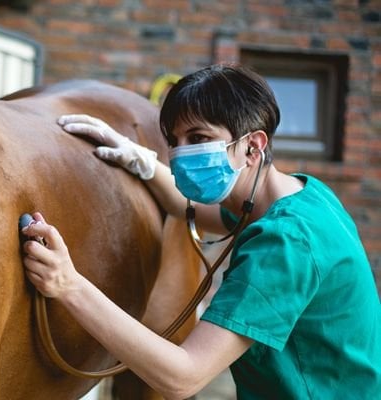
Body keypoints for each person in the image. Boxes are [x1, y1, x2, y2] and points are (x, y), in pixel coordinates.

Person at [20, 64, 381, 399]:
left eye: (198, 137)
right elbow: (194, 210)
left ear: (252, 147)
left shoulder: (286, 243)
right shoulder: (303, 195)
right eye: (174, 141)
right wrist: (141, 161)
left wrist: (69, 285)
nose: (180, 154)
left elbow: (183, 377)